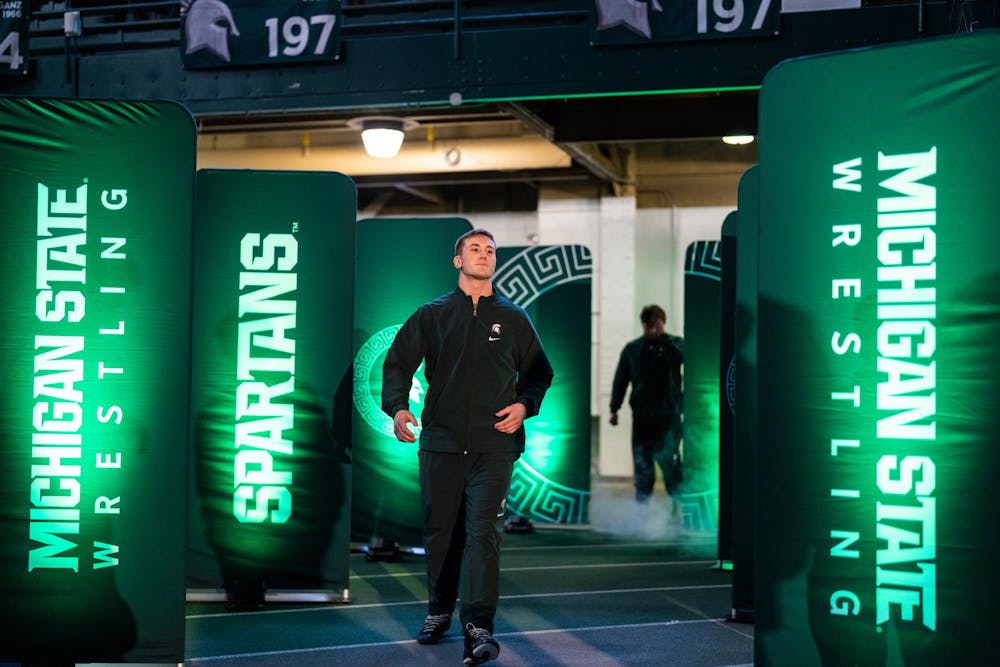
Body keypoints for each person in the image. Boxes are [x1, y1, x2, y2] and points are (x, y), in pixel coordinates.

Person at [382, 227, 554, 665]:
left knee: (483, 536)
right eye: (474, 249)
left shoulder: (514, 318)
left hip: (494, 448)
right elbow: (398, 363)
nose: (483, 254)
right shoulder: (432, 313)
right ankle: (439, 610)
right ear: (458, 261)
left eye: (490, 250)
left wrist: (524, 405)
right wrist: (398, 409)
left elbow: (540, 374)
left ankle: (478, 625)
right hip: (440, 444)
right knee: (442, 533)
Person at [609, 304, 684, 504]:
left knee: (672, 467)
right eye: (648, 325)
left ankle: (677, 511)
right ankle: (643, 512)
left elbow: (688, 356)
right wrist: (614, 408)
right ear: (642, 324)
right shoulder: (633, 349)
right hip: (643, 418)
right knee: (643, 468)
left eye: (655, 324)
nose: (651, 329)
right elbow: (620, 380)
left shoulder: (674, 346)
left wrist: (665, 338)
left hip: (668, 417)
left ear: (663, 323)